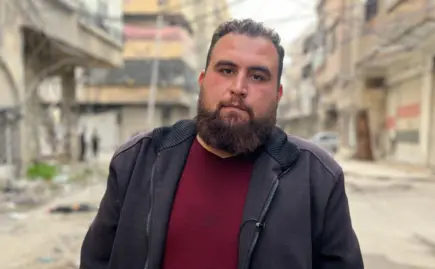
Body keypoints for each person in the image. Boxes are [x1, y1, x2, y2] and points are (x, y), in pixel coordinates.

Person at [80, 19, 363, 269]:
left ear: (278, 94)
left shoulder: (317, 177)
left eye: (257, 76)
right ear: (203, 81)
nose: (239, 87)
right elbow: (97, 261)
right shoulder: (138, 161)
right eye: (227, 70)